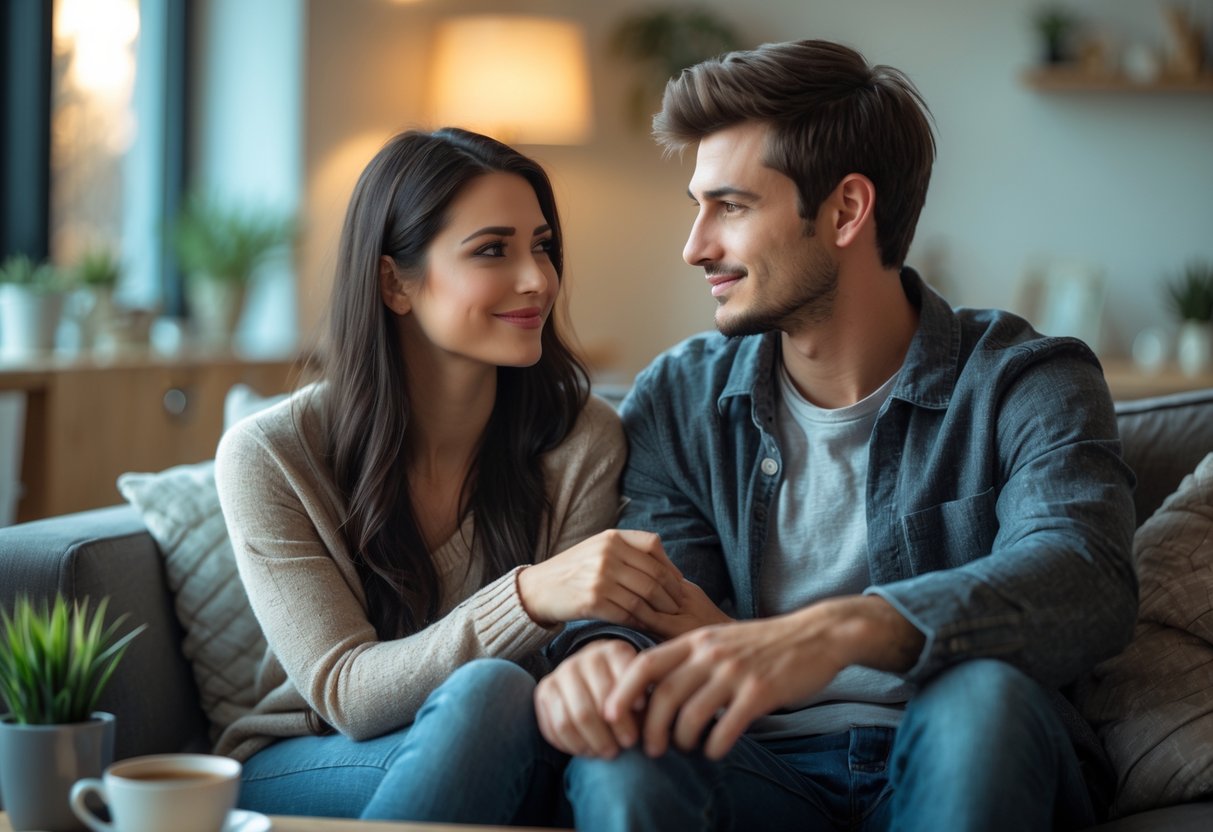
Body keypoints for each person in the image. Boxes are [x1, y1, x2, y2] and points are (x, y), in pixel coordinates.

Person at [533, 40, 1138, 831]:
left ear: (848, 210)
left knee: (981, 697)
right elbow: (658, 596)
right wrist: (600, 653)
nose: (695, 246)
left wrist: (845, 627)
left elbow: (1084, 578)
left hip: (961, 746)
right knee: (626, 752)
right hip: (752, 766)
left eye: (731, 205)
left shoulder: (1025, 380)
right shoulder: (681, 397)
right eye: (697, 205)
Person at [212, 128, 688, 826]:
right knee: (489, 691)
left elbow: (572, 670)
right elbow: (345, 691)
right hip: (317, 758)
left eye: (542, 246)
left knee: (502, 703)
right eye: (492, 250)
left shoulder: (581, 440)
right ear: (393, 283)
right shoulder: (270, 455)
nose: (537, 279)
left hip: (521, 749)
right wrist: (525, 596)